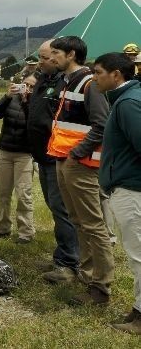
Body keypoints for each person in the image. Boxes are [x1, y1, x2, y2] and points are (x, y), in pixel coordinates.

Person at [47, 36, 113, 305]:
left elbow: (101, 125)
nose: (51, 58)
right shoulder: (66, 81)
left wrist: (76, 153)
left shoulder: (90, 84)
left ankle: (101, 286)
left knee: (93, 225)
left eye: (56, 53)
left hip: (80, 164)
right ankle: (87, 275)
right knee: (78, 221)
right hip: (65, 160)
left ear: (71, 54)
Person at [94, 53, 141, 334]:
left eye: (98, 72)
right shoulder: (125, 99)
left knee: (139, 254)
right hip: (128, 187)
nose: (95, 77)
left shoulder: (128, 103)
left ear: (116, 75)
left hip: (133, 190)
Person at [27, 40, 80, 283]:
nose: (42, 61)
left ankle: (69, 263)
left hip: (57, 156)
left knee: (62, 209)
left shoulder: (66, 83)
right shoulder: (43, 80)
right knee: (54, 207)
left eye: (46, 57)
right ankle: (62, 255)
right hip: (42, 155)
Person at [0, 75, 35, 243]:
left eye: (31, 86)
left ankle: (26, 232)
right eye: (25, 84)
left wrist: (27, 102)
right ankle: (2, 228)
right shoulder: (11, 98)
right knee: (3, 192)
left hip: (25, 153)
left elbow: (35, 123)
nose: (27, 88)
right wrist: (7, 96)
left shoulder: (37, 102)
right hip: (5, 151)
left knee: (23, 194)